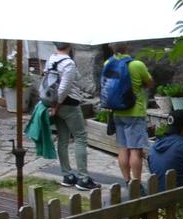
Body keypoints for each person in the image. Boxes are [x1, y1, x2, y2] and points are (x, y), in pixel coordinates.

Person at [99, 45, 155, 183]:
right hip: (135, 112)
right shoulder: (136, 65)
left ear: (111, 48)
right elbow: (149, 83)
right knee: (135, 150)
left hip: (117, 112)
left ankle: (127, 181)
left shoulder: (108, 63)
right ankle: (136, 183)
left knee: (122, 149)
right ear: (128, 47)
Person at [41, 43, 91, 188]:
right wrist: (56, 106)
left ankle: (67, 175)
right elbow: (64, 88)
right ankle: (83, 178)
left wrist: (52, 105)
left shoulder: (51, 59)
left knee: (63, 138)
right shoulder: (68, 63)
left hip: (54, 103)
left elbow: (45, 81)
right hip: (68, 104)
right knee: (80, 137)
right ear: (69, 44)